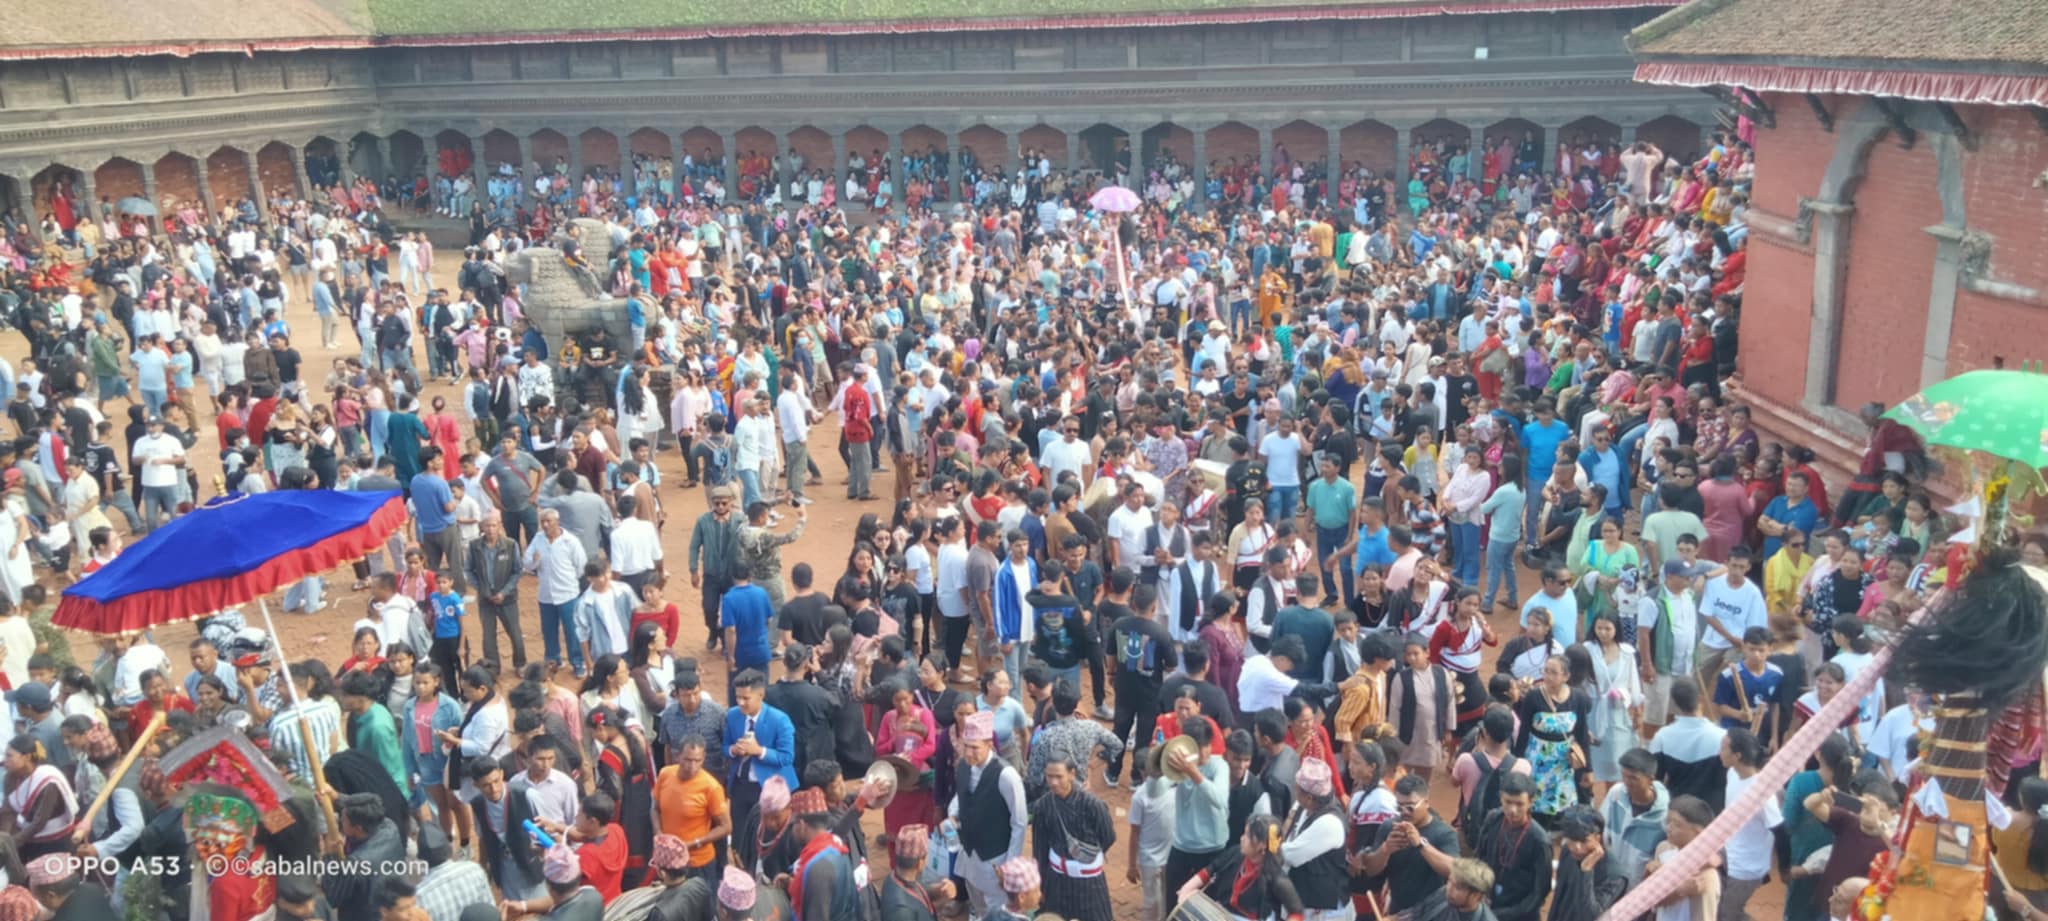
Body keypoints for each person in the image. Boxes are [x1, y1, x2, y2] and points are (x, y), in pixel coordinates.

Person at [947, 710, 1026, 918]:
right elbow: (960, 796)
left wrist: (1010, 866)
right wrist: (953, 814)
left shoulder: (1006, 775)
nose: (968, 753)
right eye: (966, 746)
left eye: (975, 748)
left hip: (995, 859)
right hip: (970, 854)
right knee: (977, 905)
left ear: (989, 745)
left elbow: (1019, 822)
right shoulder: (964, 766)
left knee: (997, 911)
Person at [1030, 756, 1115, 921]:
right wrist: (1041, 883)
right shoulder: (1042, 806)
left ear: (1072, 774)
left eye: (1059, 776)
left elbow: (1108, 838)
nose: (1053, 782)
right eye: (1049, 776)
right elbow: (1039, 849)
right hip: (1056, 880)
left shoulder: (1093, 805)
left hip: (1089, 882)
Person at [1176, 814, 1304, 921]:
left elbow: (1296, 913)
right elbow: (1210, 869)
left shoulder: (1277, 878)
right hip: (1223, 914)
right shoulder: (1236, 854)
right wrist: (1186, 889)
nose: (1242, 838)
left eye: (1247, 835)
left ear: (1262, 845)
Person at [651, 737, 730, 881]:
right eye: (687, 760)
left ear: (704, 758)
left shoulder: (711, 787)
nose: (692, 766)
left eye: (697, 761)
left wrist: (694, 843)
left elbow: (725, 827)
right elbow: (655, 808)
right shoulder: (665, 774)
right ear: (678, 756)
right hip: (668, 860)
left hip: (697, 862)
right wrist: (658, 833)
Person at [1598, 748, 1669, 886]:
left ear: (1650, 779)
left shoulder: (1665, 816)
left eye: (1633, 778)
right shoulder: (1616, 794)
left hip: (1639, 887)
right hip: (1611, 881)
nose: (1627, 782)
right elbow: (1601, 828)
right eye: (1624, 776)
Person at [1643, 795, 1720, 921]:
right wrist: (1649, 874)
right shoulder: (1664, 849)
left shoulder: (1706, 876)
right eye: (1668, 822)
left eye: (1677, 824)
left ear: (1698, 831)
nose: (1668, 828)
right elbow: (1649, 900)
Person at [1548, 807, 1627, 921]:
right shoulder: (1568, 852)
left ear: (1598, 838)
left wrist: (1586, 872)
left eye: (1584, 841)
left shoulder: (1615, 876)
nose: (1577, 847)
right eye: (1572, 839)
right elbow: (1559, 897)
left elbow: (1589, 916)